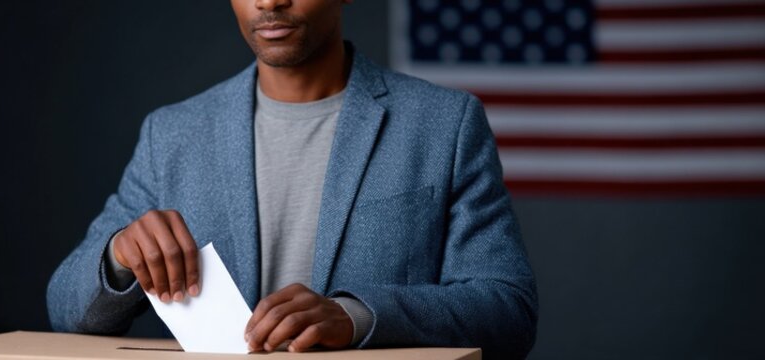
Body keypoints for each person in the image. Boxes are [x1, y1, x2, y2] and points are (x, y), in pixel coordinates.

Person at [47, 0, 537, 358]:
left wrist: (356, 316)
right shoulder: (172, 134)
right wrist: (118, 257)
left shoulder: (444, 123)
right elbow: (65, 310)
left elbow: (507, 310)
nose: (269, 2)